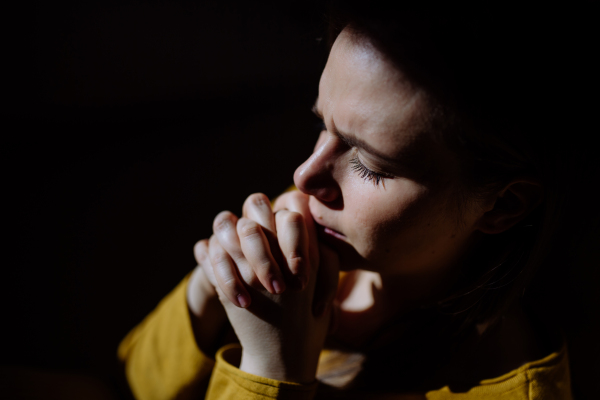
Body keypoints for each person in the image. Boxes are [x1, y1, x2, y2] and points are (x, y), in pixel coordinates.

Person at [118, 3, 584, 399]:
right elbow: (133, 381)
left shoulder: (505, 387)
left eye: (371, 166)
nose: (305, 175)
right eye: (325, 126)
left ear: (502, 206)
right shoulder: (313, 228)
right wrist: (208, 292)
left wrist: (271, 372)